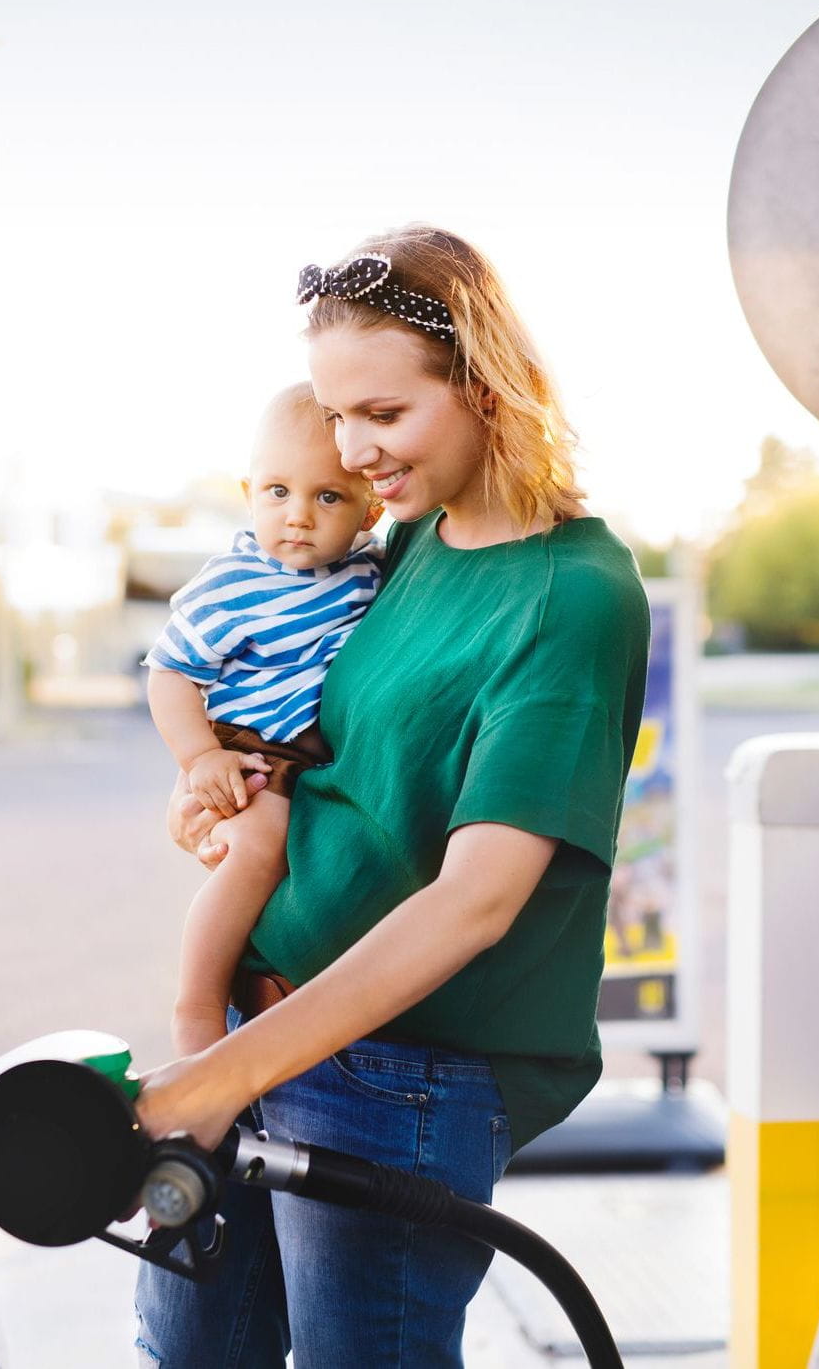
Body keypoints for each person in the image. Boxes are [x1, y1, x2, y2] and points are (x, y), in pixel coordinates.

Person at [131, 226, 650, 1367]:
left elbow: (477, 900)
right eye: (333, 413)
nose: (351, 450)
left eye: (382, 414)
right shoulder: (407, 537)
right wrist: (222, 773)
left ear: (483, 384)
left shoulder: (571, 597)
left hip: (399, 1078)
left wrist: (222, 1074)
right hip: (262, 1032)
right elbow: (342, 739)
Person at [144, 381, 383, 1057]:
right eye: (277, 492)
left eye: (327, 496)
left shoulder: (368, 571)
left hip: (304, 755)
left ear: (369, 514)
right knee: (259, 846)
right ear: (249, 491)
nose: (298, 516)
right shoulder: (233, 584)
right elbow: (170, 672)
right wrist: (198, 760)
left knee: (292, 852)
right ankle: (197, 1006)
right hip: (247, 750)